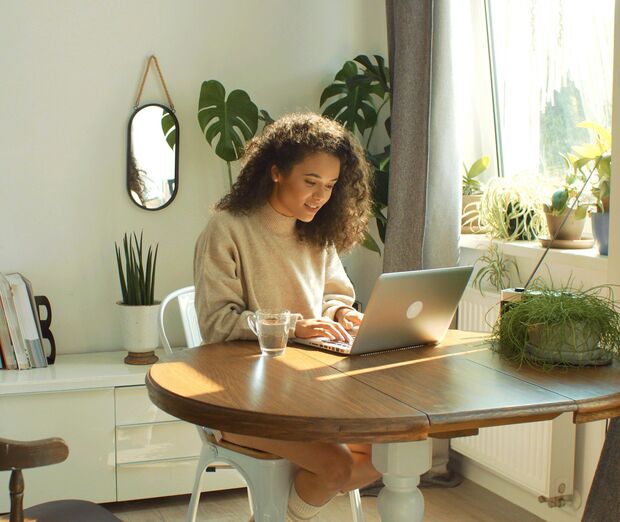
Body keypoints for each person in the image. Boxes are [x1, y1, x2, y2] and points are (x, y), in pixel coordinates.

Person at [194, 112, 381, 521]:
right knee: (337, 467)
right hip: (240, 400)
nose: (320, 197)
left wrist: (341, 315)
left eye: (330, 186)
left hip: (311, 389)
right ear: (276, 172)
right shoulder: (227, 229)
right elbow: (217, 323)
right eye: (311, 182)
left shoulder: (316, 230)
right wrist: (295, 324)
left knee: (389, 452)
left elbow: (334, 294)